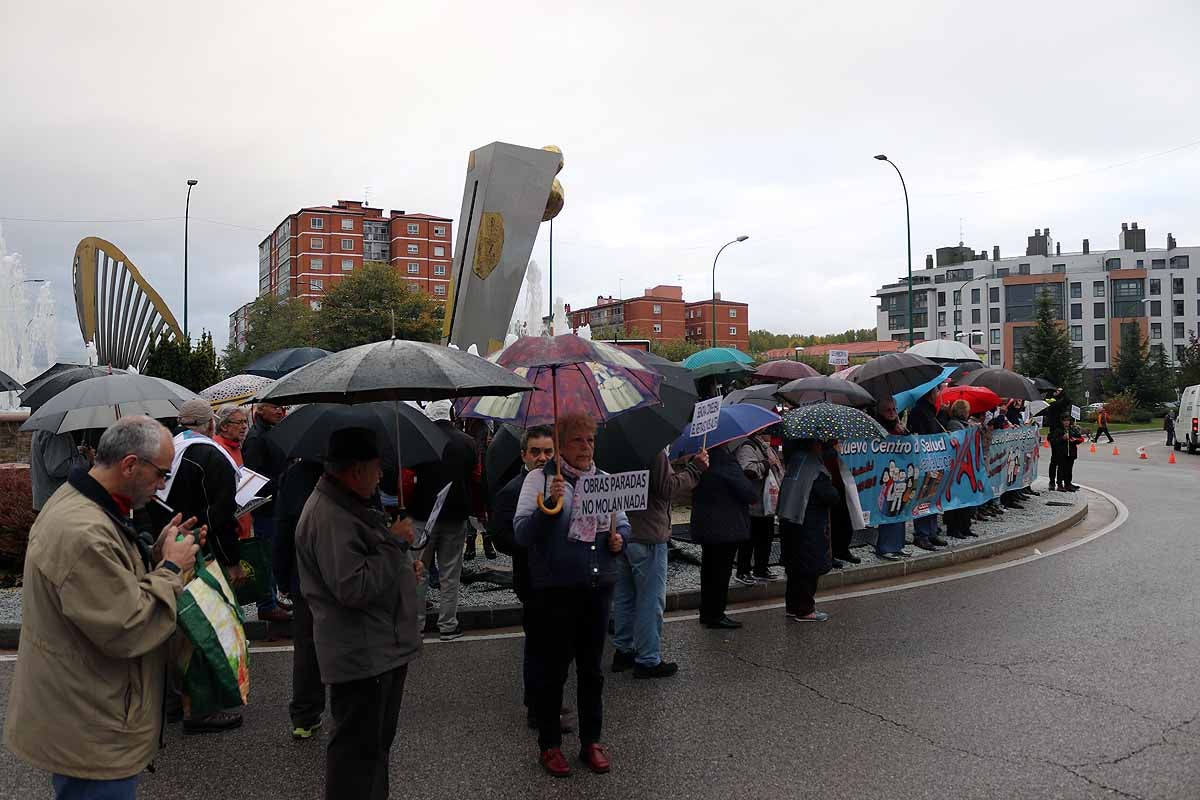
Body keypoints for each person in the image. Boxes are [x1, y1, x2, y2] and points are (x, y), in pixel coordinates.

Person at [4, 416, 204, 800]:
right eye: (161, 474)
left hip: (83, 707)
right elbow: (128, 626)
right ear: (130, 465)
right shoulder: (84, 531)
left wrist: (154, 552)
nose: (163, 484)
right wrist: (172, 569)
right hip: (92, 721)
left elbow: (104, 584)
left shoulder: (81, 501)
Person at [295, 427, 423, 800]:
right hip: (364, 654)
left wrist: (400, 563)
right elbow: (354, 587)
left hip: (378, 649)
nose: (381, 475)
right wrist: (395, 543)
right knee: (358, 756)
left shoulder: (348, 503)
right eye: (377, 467)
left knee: (371, 751)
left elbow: (368, 562)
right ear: (355, 471)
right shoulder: (330, 516)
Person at [514, 412, 628, 777]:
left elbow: (622, 525)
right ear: (561, 445)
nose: (586, 447)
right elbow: (520, 534)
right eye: (578, 440)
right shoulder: (540, 479)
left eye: (590, 440)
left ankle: (591, 741)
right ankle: (550, 744)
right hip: (555, 591)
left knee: (592, 671)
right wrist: (549, 507)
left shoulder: (605, 481)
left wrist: (618, 541)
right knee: (553, 671)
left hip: (597, 589)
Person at [152, 400, 251, 734]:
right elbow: (220, 516)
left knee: (172, 628)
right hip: (197, 549)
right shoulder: (211, 456)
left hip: (165, 546)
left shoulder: (170, 447)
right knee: (199, 630)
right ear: (211, 424)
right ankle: (199, 710)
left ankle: (171, 703)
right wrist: (232, 561)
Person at [485, 426, 573, 731]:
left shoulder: (563, 484)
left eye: (548, 451)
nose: (542, 457)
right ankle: (537, 708)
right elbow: (501, 537)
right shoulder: (512, 491)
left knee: (561, 647)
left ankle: (550, 697)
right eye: (535, 451)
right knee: (539, 647)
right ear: (523, 454)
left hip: (562, 578)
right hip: (534, 582)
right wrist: (532, 537)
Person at [611, 446, 707, 679]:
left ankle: (623, 650)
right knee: (649, 600)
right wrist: (696, 469)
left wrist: (678, 463)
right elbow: (666, 488)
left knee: (624, 598)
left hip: (622, 533)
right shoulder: (652, 449)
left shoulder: (615, 448)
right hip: (649, 534)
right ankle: (648, 659)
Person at [412, 400, 479, 641]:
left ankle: (416, 626)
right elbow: (474, 475)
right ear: (451, 414)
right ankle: (448, 624)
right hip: (455, 514)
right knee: (450, 572)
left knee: (418, 572)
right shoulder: (467, 442)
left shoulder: (419, 440)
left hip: (422, 515)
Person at [273, 457, 326, 740]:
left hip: (303, 571)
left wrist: (281, 575)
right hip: (344, 567)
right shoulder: (354, 469)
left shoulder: (294, 473)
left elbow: (282, 527)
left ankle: (304, 715)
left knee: (307, 644)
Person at [690, 442, 757, 630]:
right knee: (720, 572)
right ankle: (716, 614)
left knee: (709, 570)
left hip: (706, 525)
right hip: (725, 527)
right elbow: (749, 493)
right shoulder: (724, 460)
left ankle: (707, 611)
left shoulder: (700, 459)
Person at [776, 438, 841, 622]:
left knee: (794, 567)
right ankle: (805, 610)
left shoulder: (795, 460)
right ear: (815, 445)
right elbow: (831, 496)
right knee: (808, 568)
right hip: (809, 523)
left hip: (789, 519)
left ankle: (792, 606)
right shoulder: (815, 467)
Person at [242, 401, 289, 619]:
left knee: (272, 552)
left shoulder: (268, 432)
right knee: (265, 554)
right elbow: (254, 477)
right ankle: (266, 604)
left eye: (281, 407)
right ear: (260, 410)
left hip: (275, 502)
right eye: (274, 407)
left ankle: (271, 597)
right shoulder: (256, 438)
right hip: (266, 505)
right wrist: (281, 479)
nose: (279, 410)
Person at [733, 431, 785, 584]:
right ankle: (743, 571)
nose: (768, 430)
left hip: (766, 504)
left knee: (766, 538)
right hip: (754, 503)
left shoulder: (763, 446)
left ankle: (761, 569)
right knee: (748, 540)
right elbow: (748, 470)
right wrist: (767, 464)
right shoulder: (747, 446)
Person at [905, 389, 948, 550]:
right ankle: (922, 534)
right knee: (923, 497)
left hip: (933, 460)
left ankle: (931, 531)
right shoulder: (919, 412)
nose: (938, 394)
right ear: (930, 394)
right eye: (937, 391)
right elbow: (923, 434)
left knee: (932, 496)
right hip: (925, 461)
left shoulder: (929, 411)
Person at [872, 398, 910, 561]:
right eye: (889, 410)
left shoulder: (898, 427)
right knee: (887, 511)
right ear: (881, 412)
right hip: (885, 475)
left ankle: (897, 545)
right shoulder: (877, 426)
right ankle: (885, 546)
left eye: (895, 409)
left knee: (899, 509)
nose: (893, 413)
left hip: (900, 474)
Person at [29, 429, 90, 513]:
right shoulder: (55, 432)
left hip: (47, 500)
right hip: (55, 501)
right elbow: (58, 468)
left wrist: (75, 450)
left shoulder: (44, 428)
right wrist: (85, 459)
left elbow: (52, 456)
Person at [942, 399, 978, 539]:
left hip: (966, 465)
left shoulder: (964, 424)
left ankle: (965, 526)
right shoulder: (954, 424)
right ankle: (954, 527)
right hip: (957, 466)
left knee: (967, 498)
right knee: (956, 499)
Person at [1058, 414, 1085, 492]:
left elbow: (1081, 439)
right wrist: (1062, 438)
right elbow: (1054, 440)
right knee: (1061, 469)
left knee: (1069, 469)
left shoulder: (1073, 429)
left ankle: (1068, 484)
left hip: (1071, 452)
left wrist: (1075, 440)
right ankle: (1059, 484)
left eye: (1068, 421)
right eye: (1064, 421)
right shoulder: (1059, 430)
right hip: (1062, 452)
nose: (1066, 422)